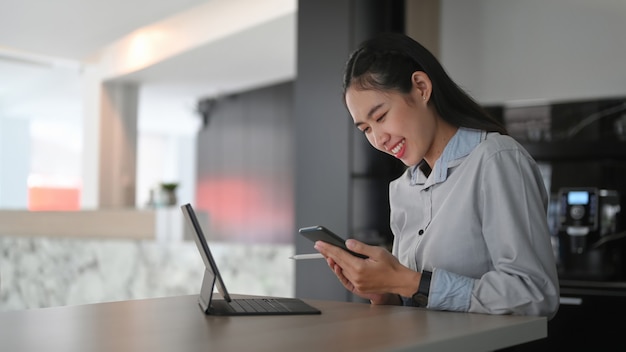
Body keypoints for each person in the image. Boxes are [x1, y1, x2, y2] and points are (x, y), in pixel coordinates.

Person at [313, 32, 559, 318]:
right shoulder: (404, 188)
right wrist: (385, 292)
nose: (378, 138)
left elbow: (535, 294)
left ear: (420, 87)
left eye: (380, 117)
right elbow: (417, 304)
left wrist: (407, 281)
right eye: (366, 129)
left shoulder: (496, 159)